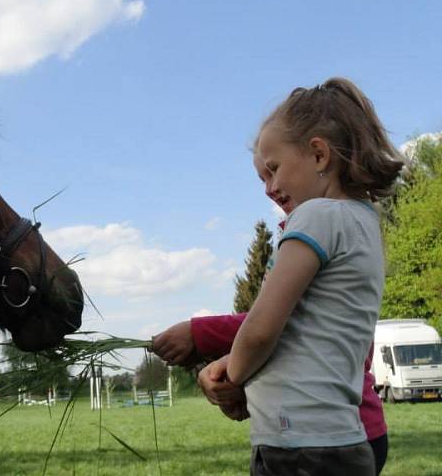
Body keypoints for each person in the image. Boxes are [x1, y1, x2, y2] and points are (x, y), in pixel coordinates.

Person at [155, 78, 403, 475]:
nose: (269, 188)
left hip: (300, 449)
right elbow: (306, 339)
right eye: (261, 178)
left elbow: (261, 329)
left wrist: (229, 376)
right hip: (339, 442)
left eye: (274, 170)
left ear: (319, 154)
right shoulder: (363, 222)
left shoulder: (316, 217)